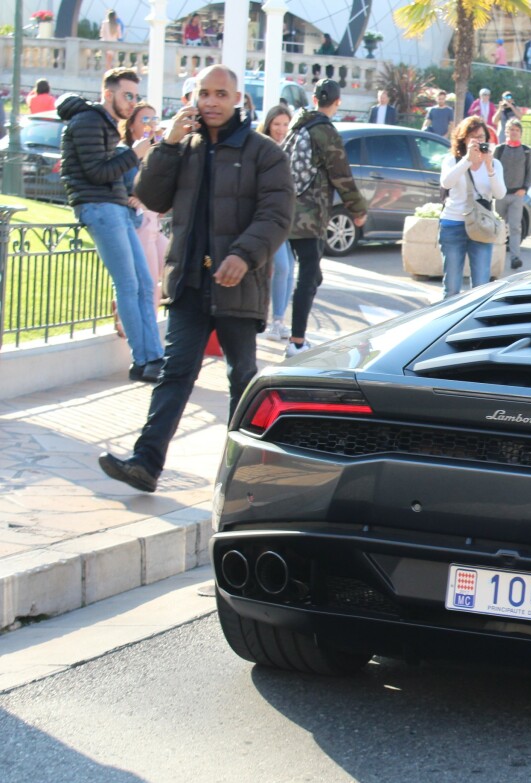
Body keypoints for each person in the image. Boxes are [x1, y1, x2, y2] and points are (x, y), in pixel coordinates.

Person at [97, 65, 294, 495]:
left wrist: (244, 255)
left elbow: (277, 215)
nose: (210, 102)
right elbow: (151, 197)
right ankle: (146, 463)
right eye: (203, 93)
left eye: (220, 94)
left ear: (237, 99)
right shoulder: (183, 146)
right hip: (188, 281)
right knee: (174, 374)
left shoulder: (264, 153)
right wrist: (166, 146)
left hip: (238, 285)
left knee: (242, 378)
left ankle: (243, 474)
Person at [57, 67, 164, 382]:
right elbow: (97, 173)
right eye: (126, 95)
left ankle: (153, 356)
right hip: (98, 208)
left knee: (145, 284)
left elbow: (108, 172)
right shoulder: (89, 121)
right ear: (108, 93)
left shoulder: (104, 123)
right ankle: (146, 359)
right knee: (130, 285)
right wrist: (133, 154)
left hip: (114, 207)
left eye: (134, 96)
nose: (132, 102)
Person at [284, 79, 367, 356]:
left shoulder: (297, 125)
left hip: (285, 211)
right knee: (307, 279)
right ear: (337, 102)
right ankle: (297, 342)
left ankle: (292, 333)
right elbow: (341, 175)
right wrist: (357, 211)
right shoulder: (325, 131)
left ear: (314, 98)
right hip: (309, 217)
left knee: (312, 275)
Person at [439, 116, 506, 296]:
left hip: (481, 226)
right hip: (453, 223)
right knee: (452, 286)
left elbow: (499, 194)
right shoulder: (453, 160)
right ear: (464, 139)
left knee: (480, 287)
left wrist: (489, 166)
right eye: (473, 137)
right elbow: (446, 183)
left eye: (481, 137)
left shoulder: (494, 164)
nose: (478, 141)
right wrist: (468, 160)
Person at [118, 102, 168, 309]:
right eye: (145, 120)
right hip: (140, 221)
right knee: (149, 282)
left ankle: (134, 313)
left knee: (169, 265)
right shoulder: (126, 152)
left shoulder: (156, 151)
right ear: (131, 126)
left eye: (153, 119)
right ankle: (143, 323)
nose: (150, 125)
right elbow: (119, 184)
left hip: (154, 220)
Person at [259, 104, 295, 340]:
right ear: (269, 124)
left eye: (285, 124)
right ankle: (273, 322)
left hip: (288, 217)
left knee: (289, 268)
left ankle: (279, 320)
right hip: (268, 218)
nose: (281, 129)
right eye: (277, 124)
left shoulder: (290, 148)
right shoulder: (262, 148)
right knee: (281, 267)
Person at [494, 119, 531, 270]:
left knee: (515, 227)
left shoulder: (526, 150)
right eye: (512, 130)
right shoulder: (500, 149)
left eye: (517, 130)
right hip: (500, 194)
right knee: (497, 226)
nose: (514, 132)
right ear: (507, 132)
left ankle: (515, 258)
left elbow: (529, 172)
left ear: (521, 133)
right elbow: (493, 170)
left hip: (517, 194)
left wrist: (524, 188)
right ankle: (495, 256)